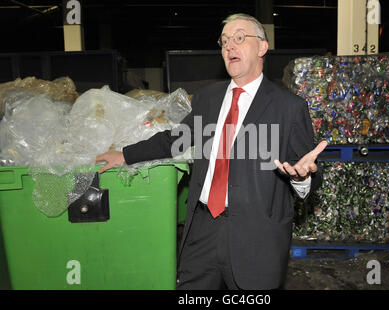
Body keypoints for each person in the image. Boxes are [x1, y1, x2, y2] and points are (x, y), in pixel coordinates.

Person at [96, 13, 327, 290]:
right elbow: (175, 140)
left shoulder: (289, 107)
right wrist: (125, 154)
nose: (230, 46)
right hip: (202, 229)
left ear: (262, 47)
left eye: (240, 38)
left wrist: (302, 178)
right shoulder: (208, 98)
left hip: (256, 236)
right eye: (225, 41)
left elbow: (307, 169)